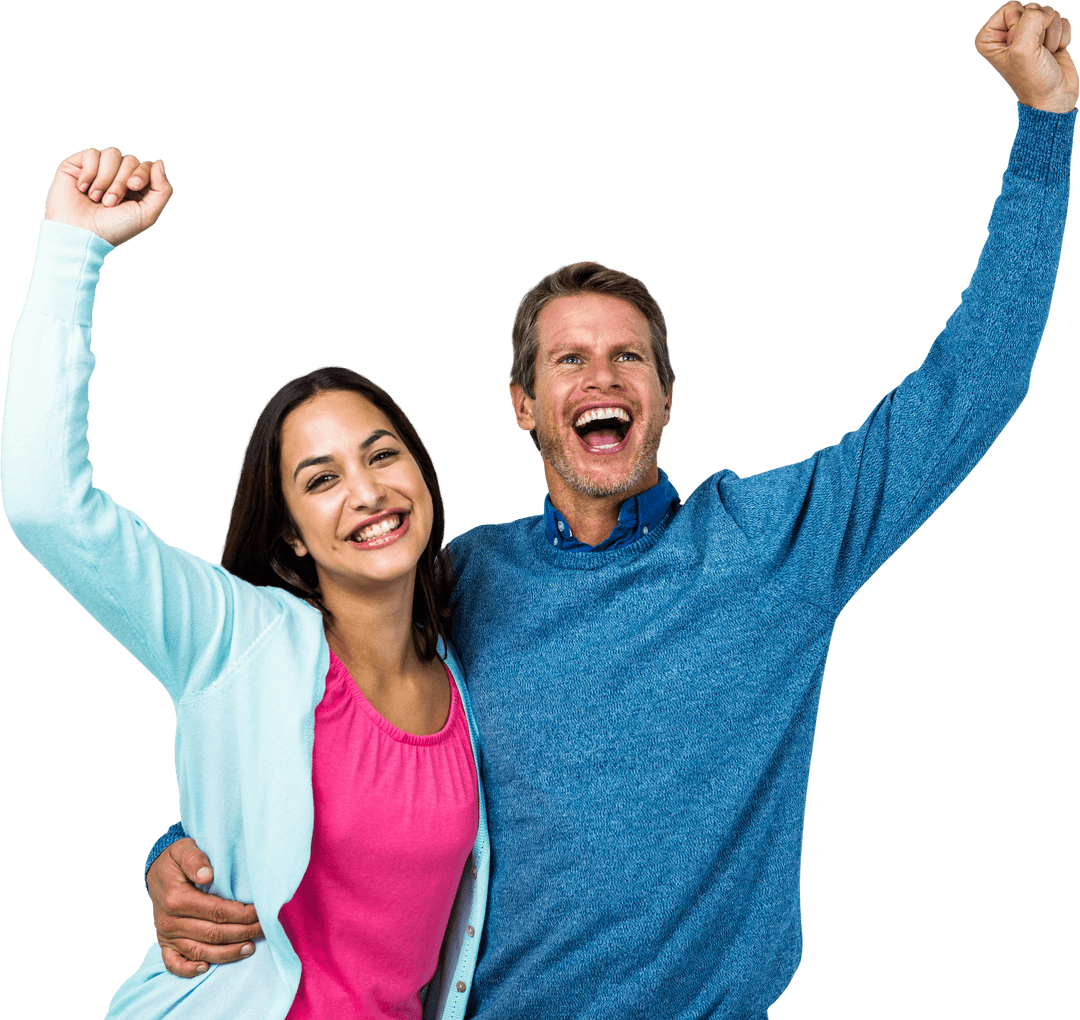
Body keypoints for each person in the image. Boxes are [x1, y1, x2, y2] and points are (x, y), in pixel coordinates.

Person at [143, 3, 1074, 1018]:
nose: (602, 374)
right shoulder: (456, 581)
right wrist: (176, 858)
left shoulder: (773, 545)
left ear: (664, 396)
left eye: (628, 355)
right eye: (568, 358)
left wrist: (1048, 127)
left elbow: (970, 389)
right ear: (524, 403)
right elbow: (287, 727)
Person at [1, 151, 490, 1019]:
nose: (368, 492)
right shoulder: (237, 636)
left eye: (382, 454)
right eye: (322, 478)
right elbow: (47, 505)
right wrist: (75, 248)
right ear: (293, 541)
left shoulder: (468, 671)